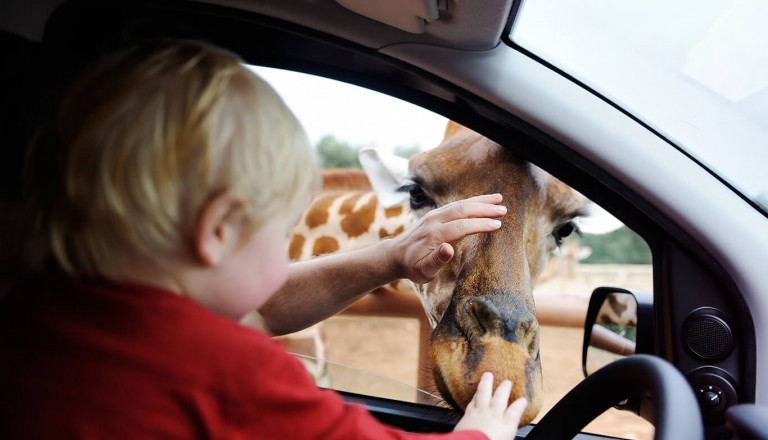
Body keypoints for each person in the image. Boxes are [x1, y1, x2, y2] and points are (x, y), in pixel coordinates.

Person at [0, 40, 527, 439]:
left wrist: (391, 257)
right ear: (219, 231)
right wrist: (479, 434)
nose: (286, 250)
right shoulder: (231, 372)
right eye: (281, 233)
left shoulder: (32, 314)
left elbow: (253, 309)